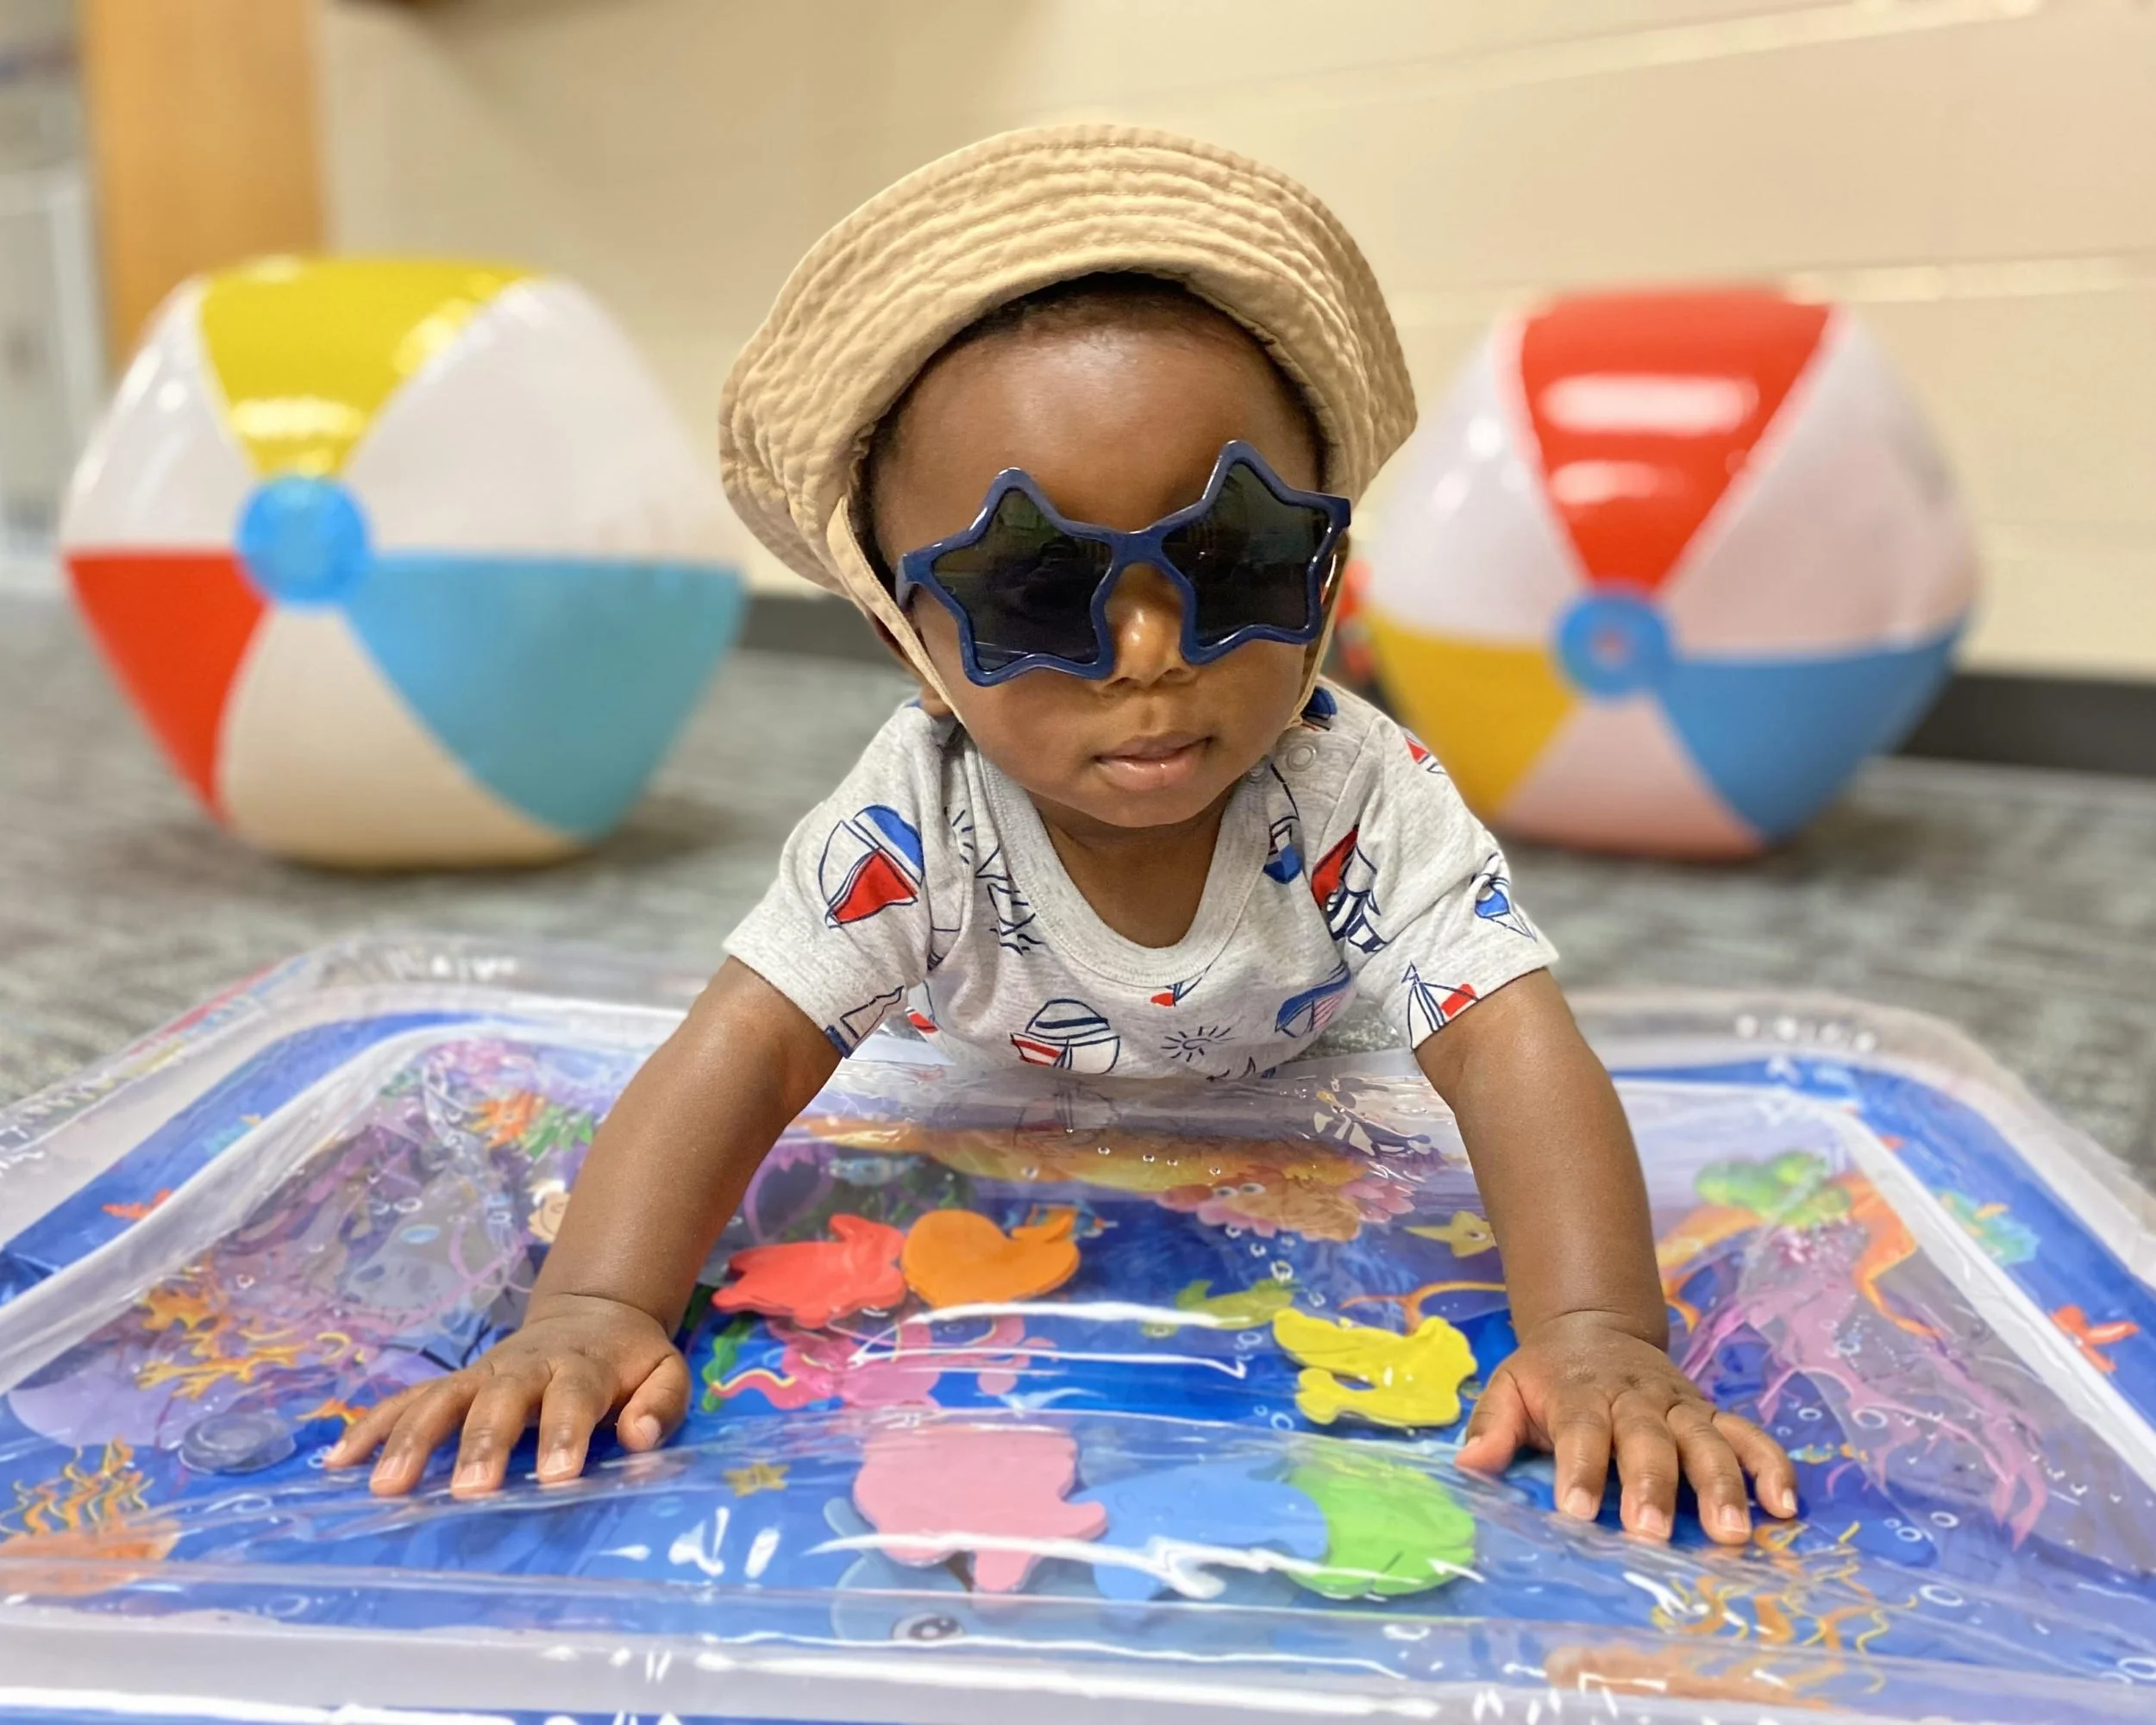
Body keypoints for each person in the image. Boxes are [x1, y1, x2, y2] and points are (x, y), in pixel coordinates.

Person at [330, 125, 1796, 1546]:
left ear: (1330, 567)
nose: (1147, 652)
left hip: (1317, 1163)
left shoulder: (1356, 789)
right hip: (1010, 1168)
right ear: (915, 640)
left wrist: (1601, 1336)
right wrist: (594, 1309)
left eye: (1229, 559)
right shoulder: (923, 807)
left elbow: (1506, 1042)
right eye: (1037, 593)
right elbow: (749, 1045)